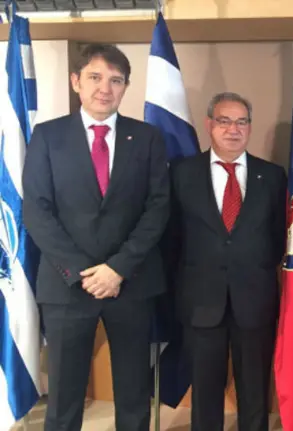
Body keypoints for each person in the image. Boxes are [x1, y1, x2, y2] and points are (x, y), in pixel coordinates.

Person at [22, 43, 169, 431]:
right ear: (76, 82)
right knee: (65, 398)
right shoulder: (48, 136)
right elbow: (37, 211)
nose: (105, 88)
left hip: (131, 283)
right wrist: (86, 272)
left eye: (116, 80)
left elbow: (158, 209)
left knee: (134, 393)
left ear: (125, 87)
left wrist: (117, 269)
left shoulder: (148, 138)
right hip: (68, 285)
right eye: (95, 77)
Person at [167, 92, 286, 431]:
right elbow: (172, 238)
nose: (233, 129)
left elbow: (279, 237)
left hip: (255, 299)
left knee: (254, 389)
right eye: (224, 121)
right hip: (201, 301)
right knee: (205, 389)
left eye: (241, 122)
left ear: (249, 128)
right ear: (209, 125)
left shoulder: (272, 176)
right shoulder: (182, 174)